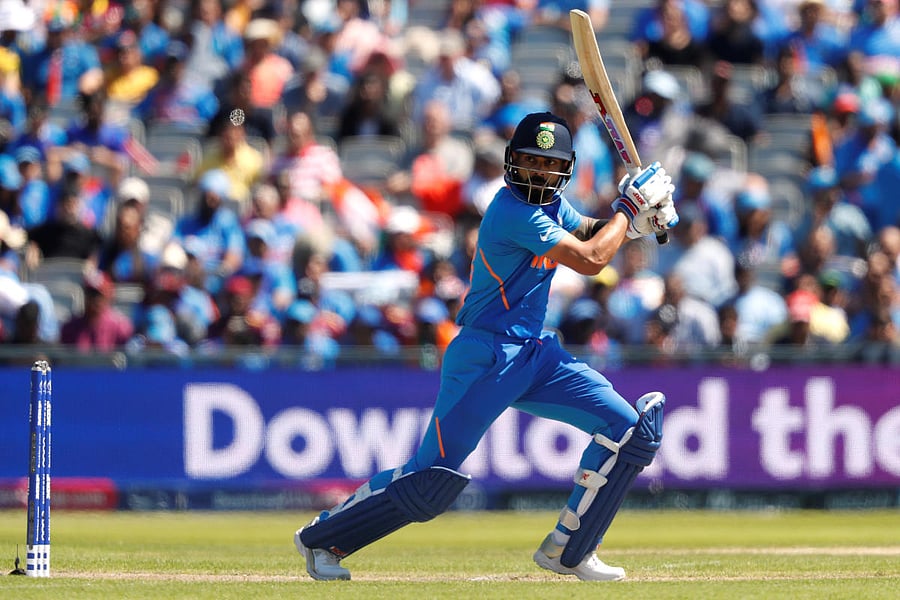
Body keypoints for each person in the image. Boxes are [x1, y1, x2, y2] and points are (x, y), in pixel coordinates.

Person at [294, 111, 678, 582]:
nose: (539, 173)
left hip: (535, 354)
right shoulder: (512, 211)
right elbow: (592, 258)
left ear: (565, 169)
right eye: (532, 162)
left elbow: (588, 232)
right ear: (512, 161)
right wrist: (628, 208)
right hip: (486, 356)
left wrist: (639, 222)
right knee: (430, 480)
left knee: (629, 431)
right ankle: (321, 539)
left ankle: (569, 550)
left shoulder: (553, 206)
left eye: (550, 165)